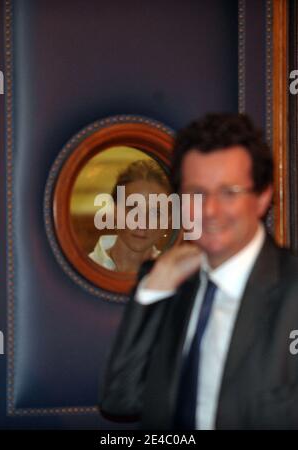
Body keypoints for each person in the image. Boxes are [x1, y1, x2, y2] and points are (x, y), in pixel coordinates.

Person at [100, 113, 298, 430]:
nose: (209, 210)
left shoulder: (291, 291)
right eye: (196, 193)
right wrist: (155, 287)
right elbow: (120, 399)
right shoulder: (171, 284)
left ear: (262, 198)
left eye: (229, 192)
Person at [89, 159, 171, 273]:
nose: (142, 223)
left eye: (155, 213)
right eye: (133, 208)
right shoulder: (83, 270)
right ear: (114, 209)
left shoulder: (175, 279)